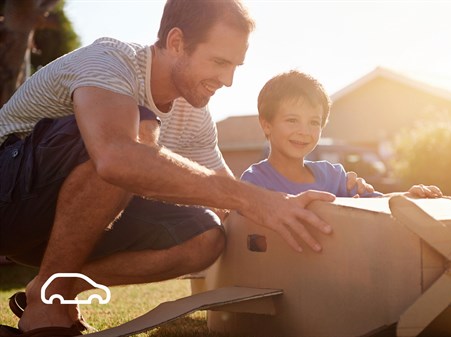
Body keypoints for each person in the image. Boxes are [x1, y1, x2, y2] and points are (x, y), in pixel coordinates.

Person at [0, 1, 340, 336]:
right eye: (220, 62)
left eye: (236, 65)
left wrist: (287, 209)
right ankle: (47, 307)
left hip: (61, 224)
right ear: (176, 43)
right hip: (9, 197)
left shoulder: (195, 116)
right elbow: (116, 156)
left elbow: (227, 198)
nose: (229, 80)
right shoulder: (110, 61)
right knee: (132, 144)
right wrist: (252, 199)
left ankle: (52, 287)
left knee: (205, 235)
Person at [241, 70, 443, 199]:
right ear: (266, 125)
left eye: (314, 122)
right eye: (292, 120)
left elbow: (379, 204)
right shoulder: (255, 183)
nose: (304, 131)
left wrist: (408, 197)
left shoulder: (334, 176)